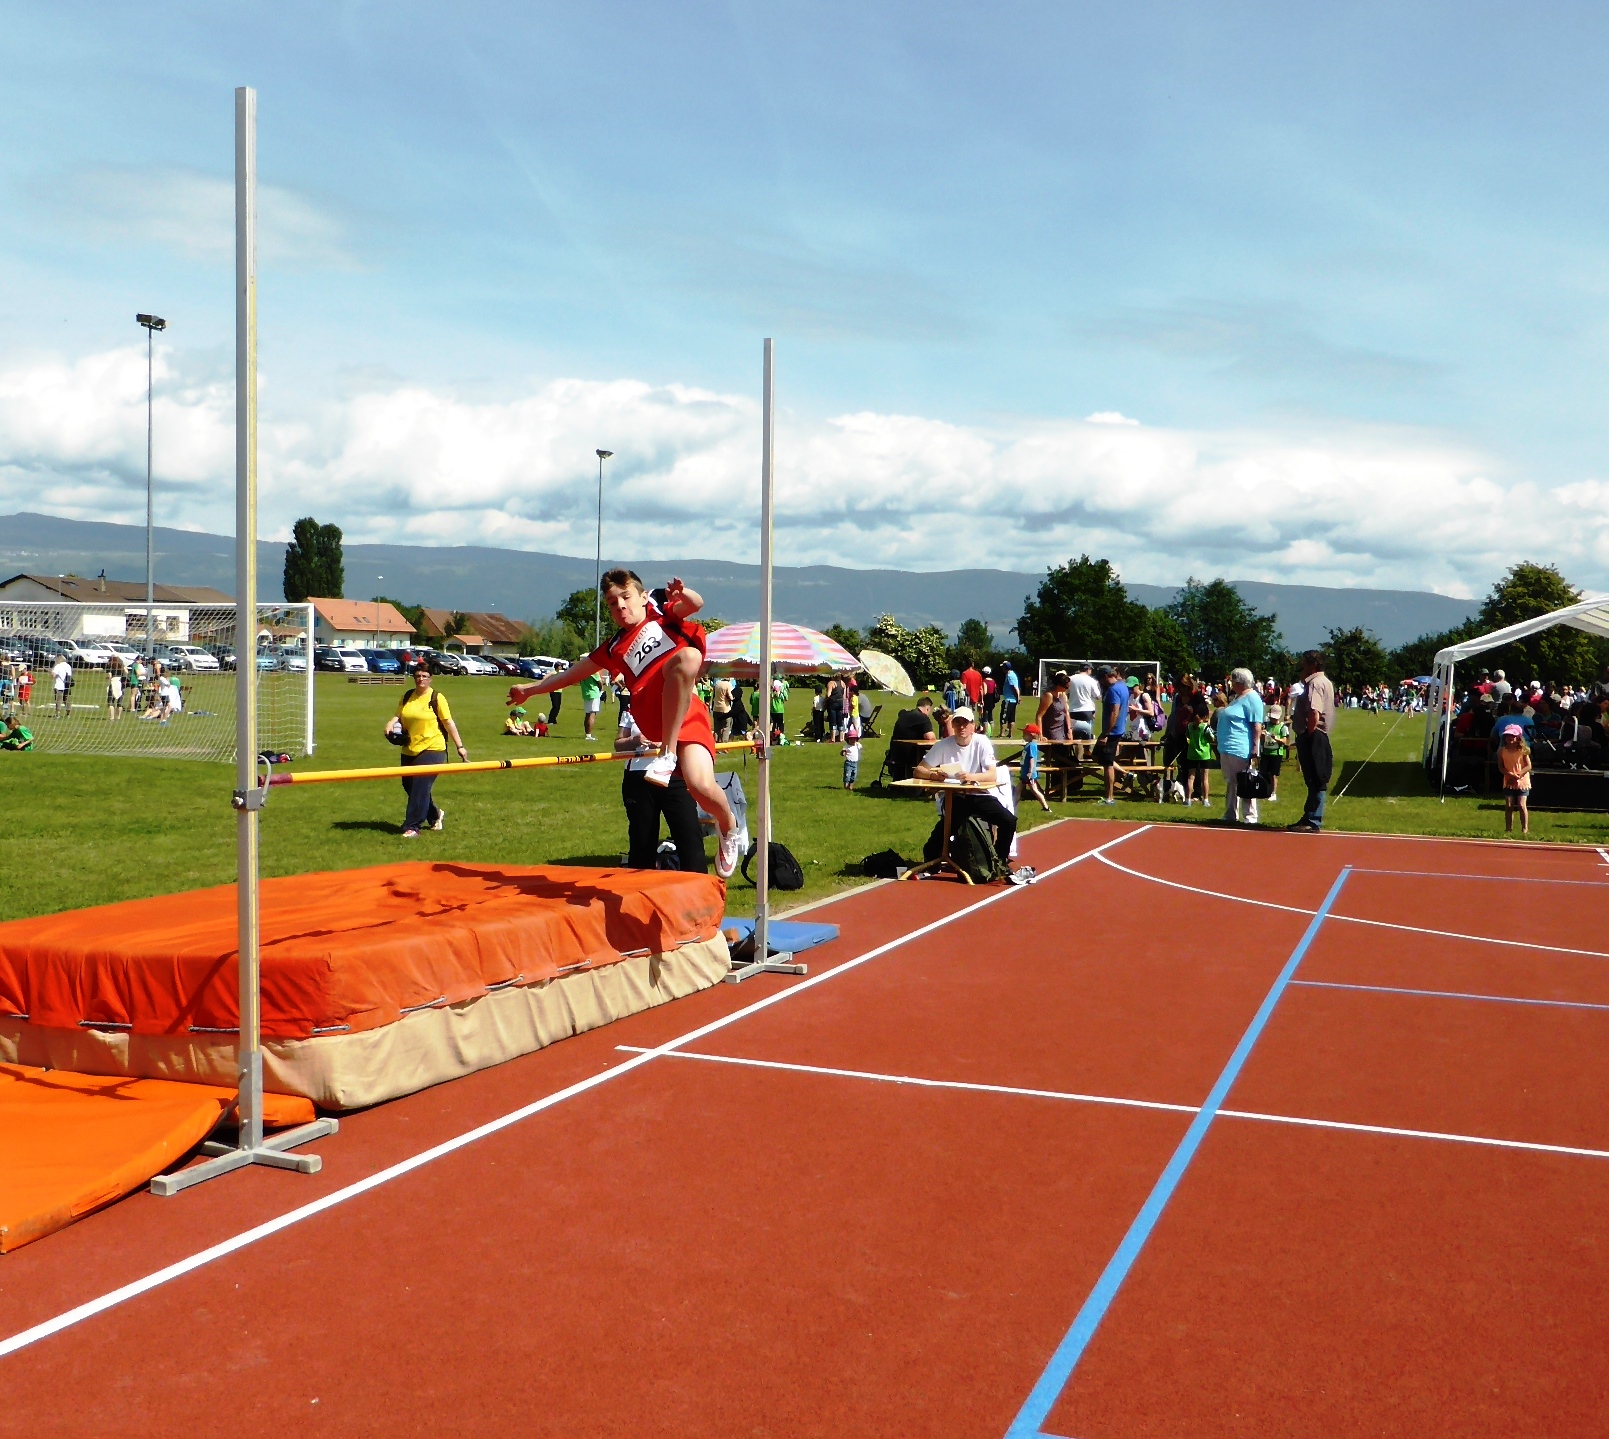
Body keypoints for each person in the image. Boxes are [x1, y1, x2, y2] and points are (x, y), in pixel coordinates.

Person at [505, 569, 745, 878]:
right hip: (653, 714)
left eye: (625, 597)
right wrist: (530, 690)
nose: (620, 606)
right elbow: (570, 675)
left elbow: (695, 604)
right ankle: (667, 752)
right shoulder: (614, 646)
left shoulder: (661, 611)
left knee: (701, 785)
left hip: (688, 713)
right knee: (687, 657)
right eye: (612, 602)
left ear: (643, 597)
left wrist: (682, 594)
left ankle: (728, 826)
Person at [913, 707, 1031, 884]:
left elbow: (992, 774)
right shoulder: (943, 745)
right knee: (953, 822)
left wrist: (972, 777)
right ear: (952, 725)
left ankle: (999, 860)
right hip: (954, 796)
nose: (961, 727)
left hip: (979, 794)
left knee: (1008, 820)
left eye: (965, 723)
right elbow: (919, 770)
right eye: (957, 723)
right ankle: (933, 859)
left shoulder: (981, 742)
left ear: (973, 726)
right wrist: (933, 775)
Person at [616, 708, 708, 871]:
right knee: (642, 841)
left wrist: (668, 743)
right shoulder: (633, 707)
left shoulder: (681, 704)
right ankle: (641, 883)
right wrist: (635, 740)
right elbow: (618, 744)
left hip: (675, 775)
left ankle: (699, 882)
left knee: (689, 836)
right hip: (638, 778)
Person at [386, 661, 468, 838]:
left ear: (430, 679)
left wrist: (460, 747)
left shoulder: (437, 698)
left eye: (424, 676)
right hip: (410, 747)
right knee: (409, 786)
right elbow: (398, 715)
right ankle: (435, 815)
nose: (421, 679)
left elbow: (448, 722)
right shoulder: (408, 696)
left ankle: (412, 826)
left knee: (420, 786)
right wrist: (390, 724)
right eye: (417, 676)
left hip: (433, 748)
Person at [1289, 650, 1335, 833]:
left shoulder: (1315, 683)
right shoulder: (1325, 682)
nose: (1302, 667)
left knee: (1315, 777)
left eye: (1305, 663)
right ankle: (1309, 816)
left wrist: (1309, 733)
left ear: (1313, 664)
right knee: (1315, 778)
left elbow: (1314, 711)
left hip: (1314, 735)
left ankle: (1313, 819)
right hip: (1319, 734)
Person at [1214, 668, 1266, 825]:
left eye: (1233, 681)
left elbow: (1257, 725)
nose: (1231, 684)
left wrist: (1255, 748)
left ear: (1239, 682)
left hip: (1240, 747)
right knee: (1232, 782)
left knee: (1245, 781)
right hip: (1228, 747)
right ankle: (1230, 814)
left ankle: (1250, 816)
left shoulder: (1252, 698)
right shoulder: (1237, 697)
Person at [1094, 666, 1130, 805]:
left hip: (1112, 732)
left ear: (1105, 676)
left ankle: (1109, 798)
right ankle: (1125, 773)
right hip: (1116, 729)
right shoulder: (1123, 686)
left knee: (1107, 764)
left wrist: (1106, 733)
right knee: (1097, 755)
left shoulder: (1114, 690)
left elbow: (1115, 711)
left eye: (1100, 679)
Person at [889, 694, 938, 781]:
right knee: (934, 757)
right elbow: (930, 737)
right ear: (927, 708)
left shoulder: (905, 715)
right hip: (910, 754)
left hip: (895, 752)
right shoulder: (922, 717)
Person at [1499, 728, 1532, 836]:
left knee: (1521, 805)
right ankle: (1508, 829)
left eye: (1512, 736)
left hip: (1522, 781)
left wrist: (1519, 774)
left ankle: (1525, 829)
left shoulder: (1523, 751)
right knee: (1509, 805)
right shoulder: (1501, 751)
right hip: (1509, 780)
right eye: (1507, 735)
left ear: (1518, 737)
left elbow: (1528, 766)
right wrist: (1509, 774)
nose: (1510, 738)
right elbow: (1501, 767)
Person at [1183, 695, 1214, 805]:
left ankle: (1188, 799)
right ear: (1205, 716)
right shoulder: (1205, 727)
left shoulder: (1190, 726)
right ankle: (1205, 800)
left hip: (1192, 753)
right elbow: (1212, 738)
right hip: (1204, 754)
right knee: (1204, 778)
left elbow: (1188, 736)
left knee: (1190, 777)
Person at [1017, 722, 1051, 812]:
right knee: (1017, 790)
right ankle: (1012, 806)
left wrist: (1030, 772)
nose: (1023, 735)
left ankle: (1046, 807)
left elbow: (1032, 759)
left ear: (1031, 735)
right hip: (1024, 772)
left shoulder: (1032, 745)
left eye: (1025, 734)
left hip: (1029, 774)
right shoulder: (1028, 745)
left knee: (1035, 791)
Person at [1262, 703, 1291, 803]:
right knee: (1264, 773)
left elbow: (1285, 741)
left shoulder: (1282, 727)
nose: (1272, 720)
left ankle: (1273, 793)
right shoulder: (1266, 725)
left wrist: (1276, 738)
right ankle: (1265, 791)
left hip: (1276, 754)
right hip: (1266, 752)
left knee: (1273, 774)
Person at [1067, 662, 1101, 740]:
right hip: (1087, 710)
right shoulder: (1091, 680)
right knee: (1087, 734)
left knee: (1074, 734)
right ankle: (1087, 747)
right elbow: (1098, 696)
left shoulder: (1071, 679)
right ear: (1088, 669)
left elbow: (1066, 692)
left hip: (1073, 710)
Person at [578, 669, 606, 742]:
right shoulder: (593, 671)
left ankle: (587, 734)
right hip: (594, 693)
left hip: (586, 693)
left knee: (587, 714)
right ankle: (589, 735)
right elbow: (599, 682)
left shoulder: (582, 671)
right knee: (592, 714)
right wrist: (601, 689)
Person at [999, 662, 1020, 737]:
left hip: (1009, 699)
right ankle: (1010, 734)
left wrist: (1018, 697)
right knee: (1011, 718)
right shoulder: (1013, 674)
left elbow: (1014, 687)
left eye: (1003, 667)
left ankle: (1002, 733)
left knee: (1004, 716)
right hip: (1013, 700)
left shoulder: (1010, 675)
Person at [712, 676, 734, 740]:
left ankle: (716, 742)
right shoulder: (728, 685)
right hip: (725, 709)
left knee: (717, 728)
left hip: (716, 708)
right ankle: (724, 743)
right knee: (726, 727)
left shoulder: (717, 684)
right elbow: (730, 696)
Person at [106, 654, 126, 722]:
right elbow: (126, 672)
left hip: (114, 682)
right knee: (119, 702)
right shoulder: (121, 665)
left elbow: (110, 676)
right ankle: (119, 717)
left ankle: (112, 717)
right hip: (120, 683)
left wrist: (108, 678)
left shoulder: (110, 665)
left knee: (110, 702)